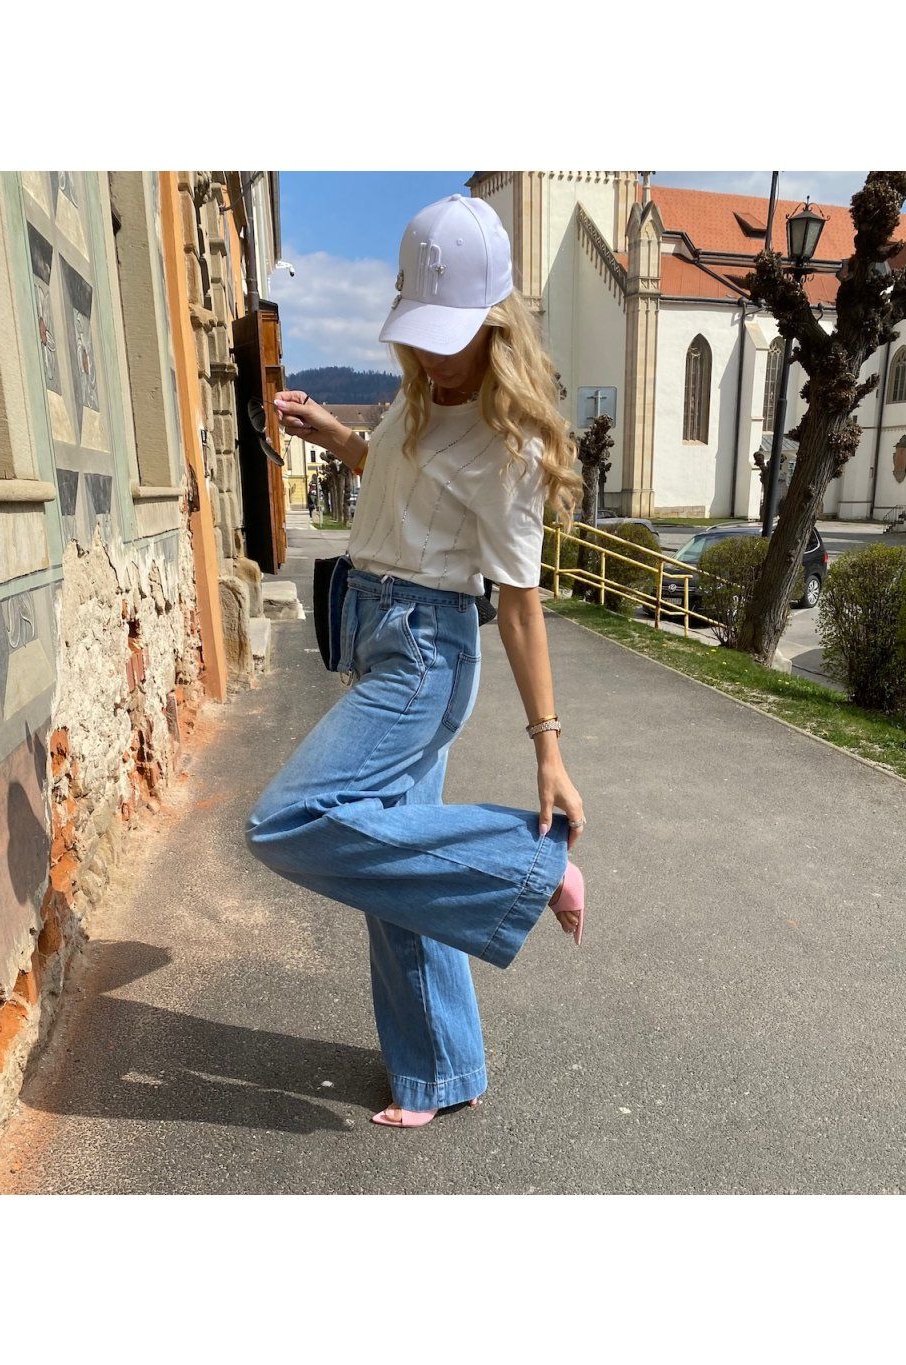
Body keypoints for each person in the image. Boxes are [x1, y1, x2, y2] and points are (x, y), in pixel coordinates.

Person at [245, 193, 587, 1130]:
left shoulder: (508, 446)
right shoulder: (418, 395)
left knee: (287, 820)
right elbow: (402, 485)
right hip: (376, 631)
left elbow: (518, 604)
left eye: (452, 334)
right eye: (422, 332)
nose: (434, 354)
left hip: (425, 656)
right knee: (398, 870)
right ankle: (442, 1068)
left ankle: (529, 862)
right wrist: (340, 440)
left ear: (496, 321)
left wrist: (547, 749)